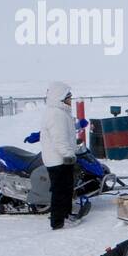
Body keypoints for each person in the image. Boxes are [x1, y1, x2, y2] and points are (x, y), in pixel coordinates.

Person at [40, 81, 80, 229]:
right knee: (60, 191)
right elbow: (60, 139)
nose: (71, 100)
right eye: (69, 97)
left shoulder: (61, 113)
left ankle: (66, 216)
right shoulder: (56, 114)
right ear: (61, 98)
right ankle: (58, 222)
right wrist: (69, 155)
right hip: (58, 160)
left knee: (67, 189)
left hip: (61, 159)